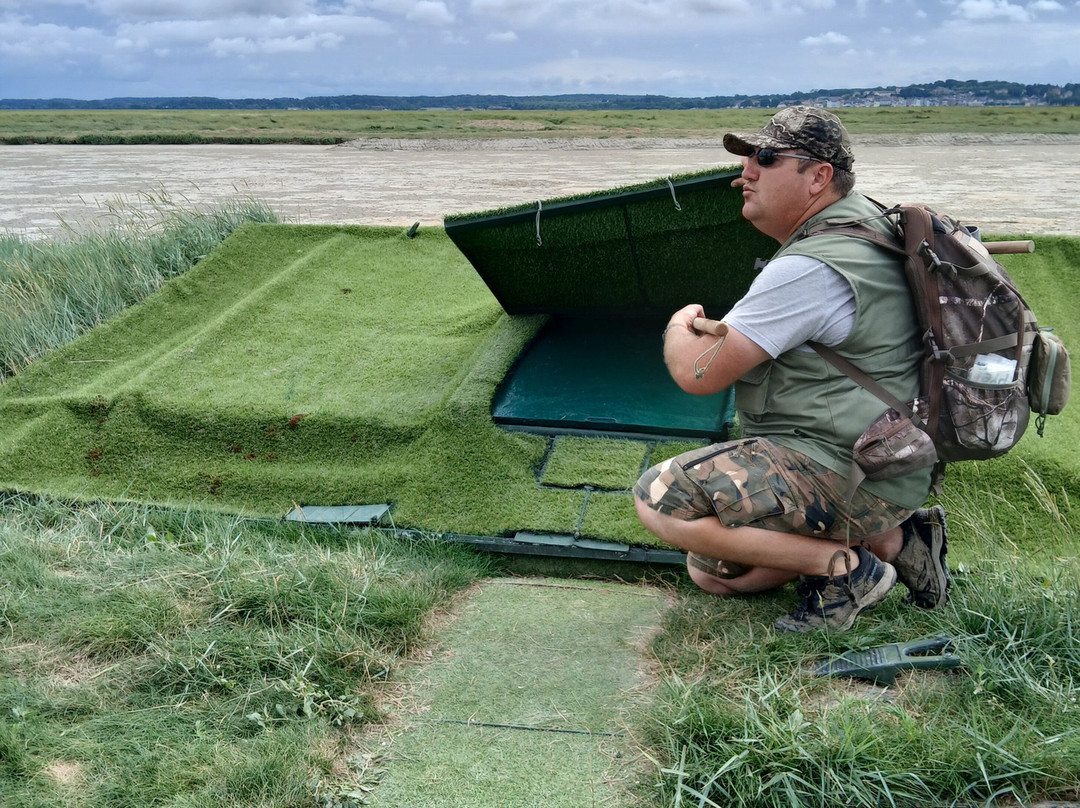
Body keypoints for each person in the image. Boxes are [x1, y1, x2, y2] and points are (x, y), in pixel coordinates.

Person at [634, 106, 950, 632]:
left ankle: (844, 569)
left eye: (765, 158)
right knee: (714, 572)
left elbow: (698, 374)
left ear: (818, 177)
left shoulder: (811, 267)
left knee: (660, 500)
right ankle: (902, 541)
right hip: (890, 462)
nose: (745, 174)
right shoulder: (871, 227)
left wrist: (677, 326)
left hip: (847, 467)